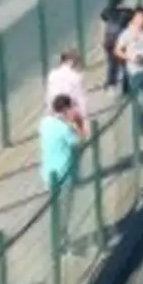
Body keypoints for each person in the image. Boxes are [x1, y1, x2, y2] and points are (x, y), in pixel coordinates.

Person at [39, 95, 82, 254]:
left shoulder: (44, 124)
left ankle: (59, 240)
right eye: (70, 108)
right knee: (65, 210)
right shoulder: (65, 128)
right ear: (65, 110)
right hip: (64, 173)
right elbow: (77, 142)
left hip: (48, 173)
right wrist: (73, 123)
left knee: (55, 208)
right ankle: (62, 243)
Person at [45, 49, 89, 136]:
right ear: (71, 62)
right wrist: (85, 121)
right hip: (69, 110)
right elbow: (81, 100)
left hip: (55, 109)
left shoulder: (52, 75)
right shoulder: (76, 76)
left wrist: (48, 112)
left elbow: (49, 96)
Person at [114, 7, 143, 94]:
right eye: (140, 17)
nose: (142, 20)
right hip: (135, 70)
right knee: (142, 94)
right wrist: (130, 57)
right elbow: (117, 50)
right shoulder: (126, 33)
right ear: (134, 18)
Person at [99, 0, 133, 90]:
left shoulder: (106, 11)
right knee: (126, 63)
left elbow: (102, 26)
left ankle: (111, 85)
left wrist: (102, 41)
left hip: (109, 40)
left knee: (112, 63)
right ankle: (126, 87)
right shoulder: (127, 12)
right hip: (122, 40)